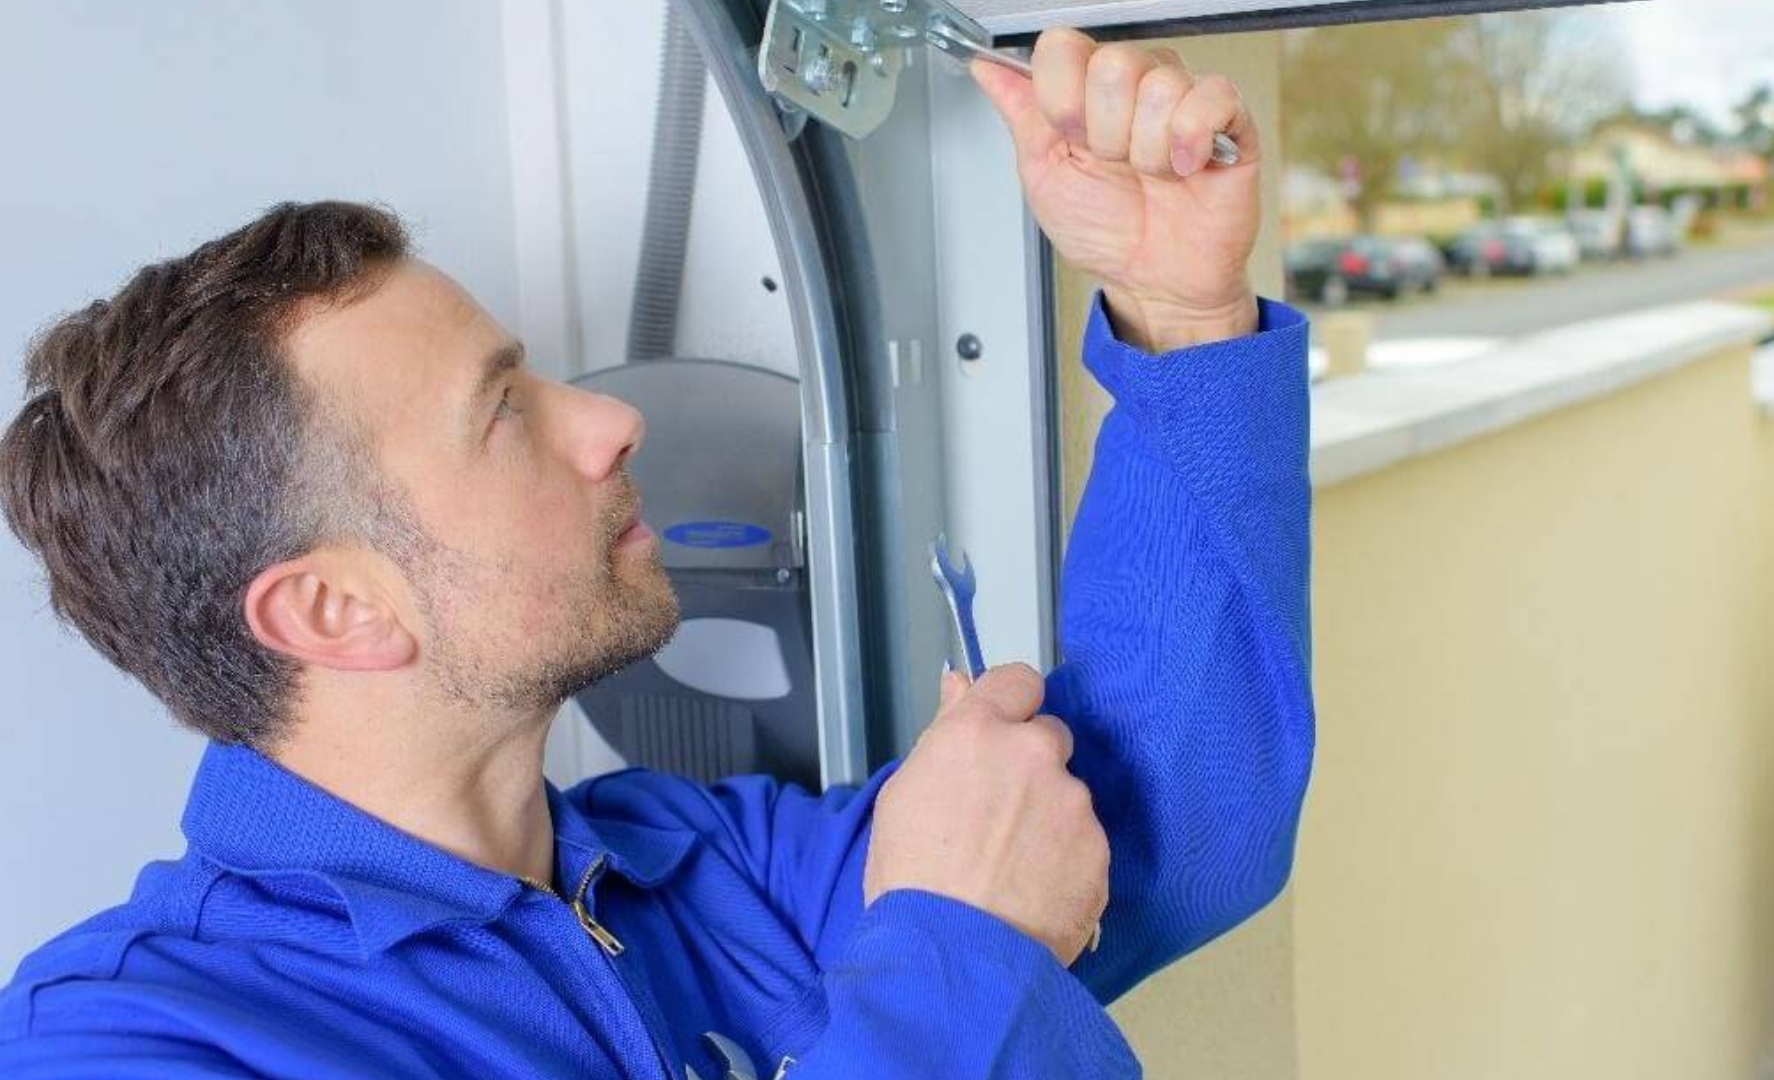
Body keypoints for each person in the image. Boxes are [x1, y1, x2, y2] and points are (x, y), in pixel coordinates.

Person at [0, 29, 1313, 1080]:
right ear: (339, 609)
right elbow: (979, 927)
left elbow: (1162, 821)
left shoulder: (690, 871)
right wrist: (959, 949)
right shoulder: (137, 1040)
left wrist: (1183, 314)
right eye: (503, 411)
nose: (612, 420)